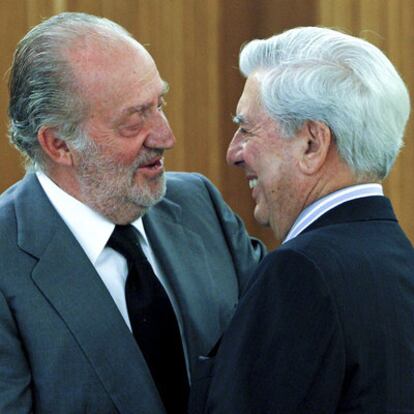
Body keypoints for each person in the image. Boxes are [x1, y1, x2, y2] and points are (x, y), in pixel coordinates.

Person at [0, 12, 265, 414]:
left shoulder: (199, 205)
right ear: (58, 144)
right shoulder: (7, 260)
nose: (165, 136)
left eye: (159, 104)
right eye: (134, 119)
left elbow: (278, 350)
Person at [189, 27, 414, 413]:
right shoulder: (399, 260)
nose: (234, 153)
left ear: (312, 143)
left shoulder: (300, 273)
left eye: (246, 128)